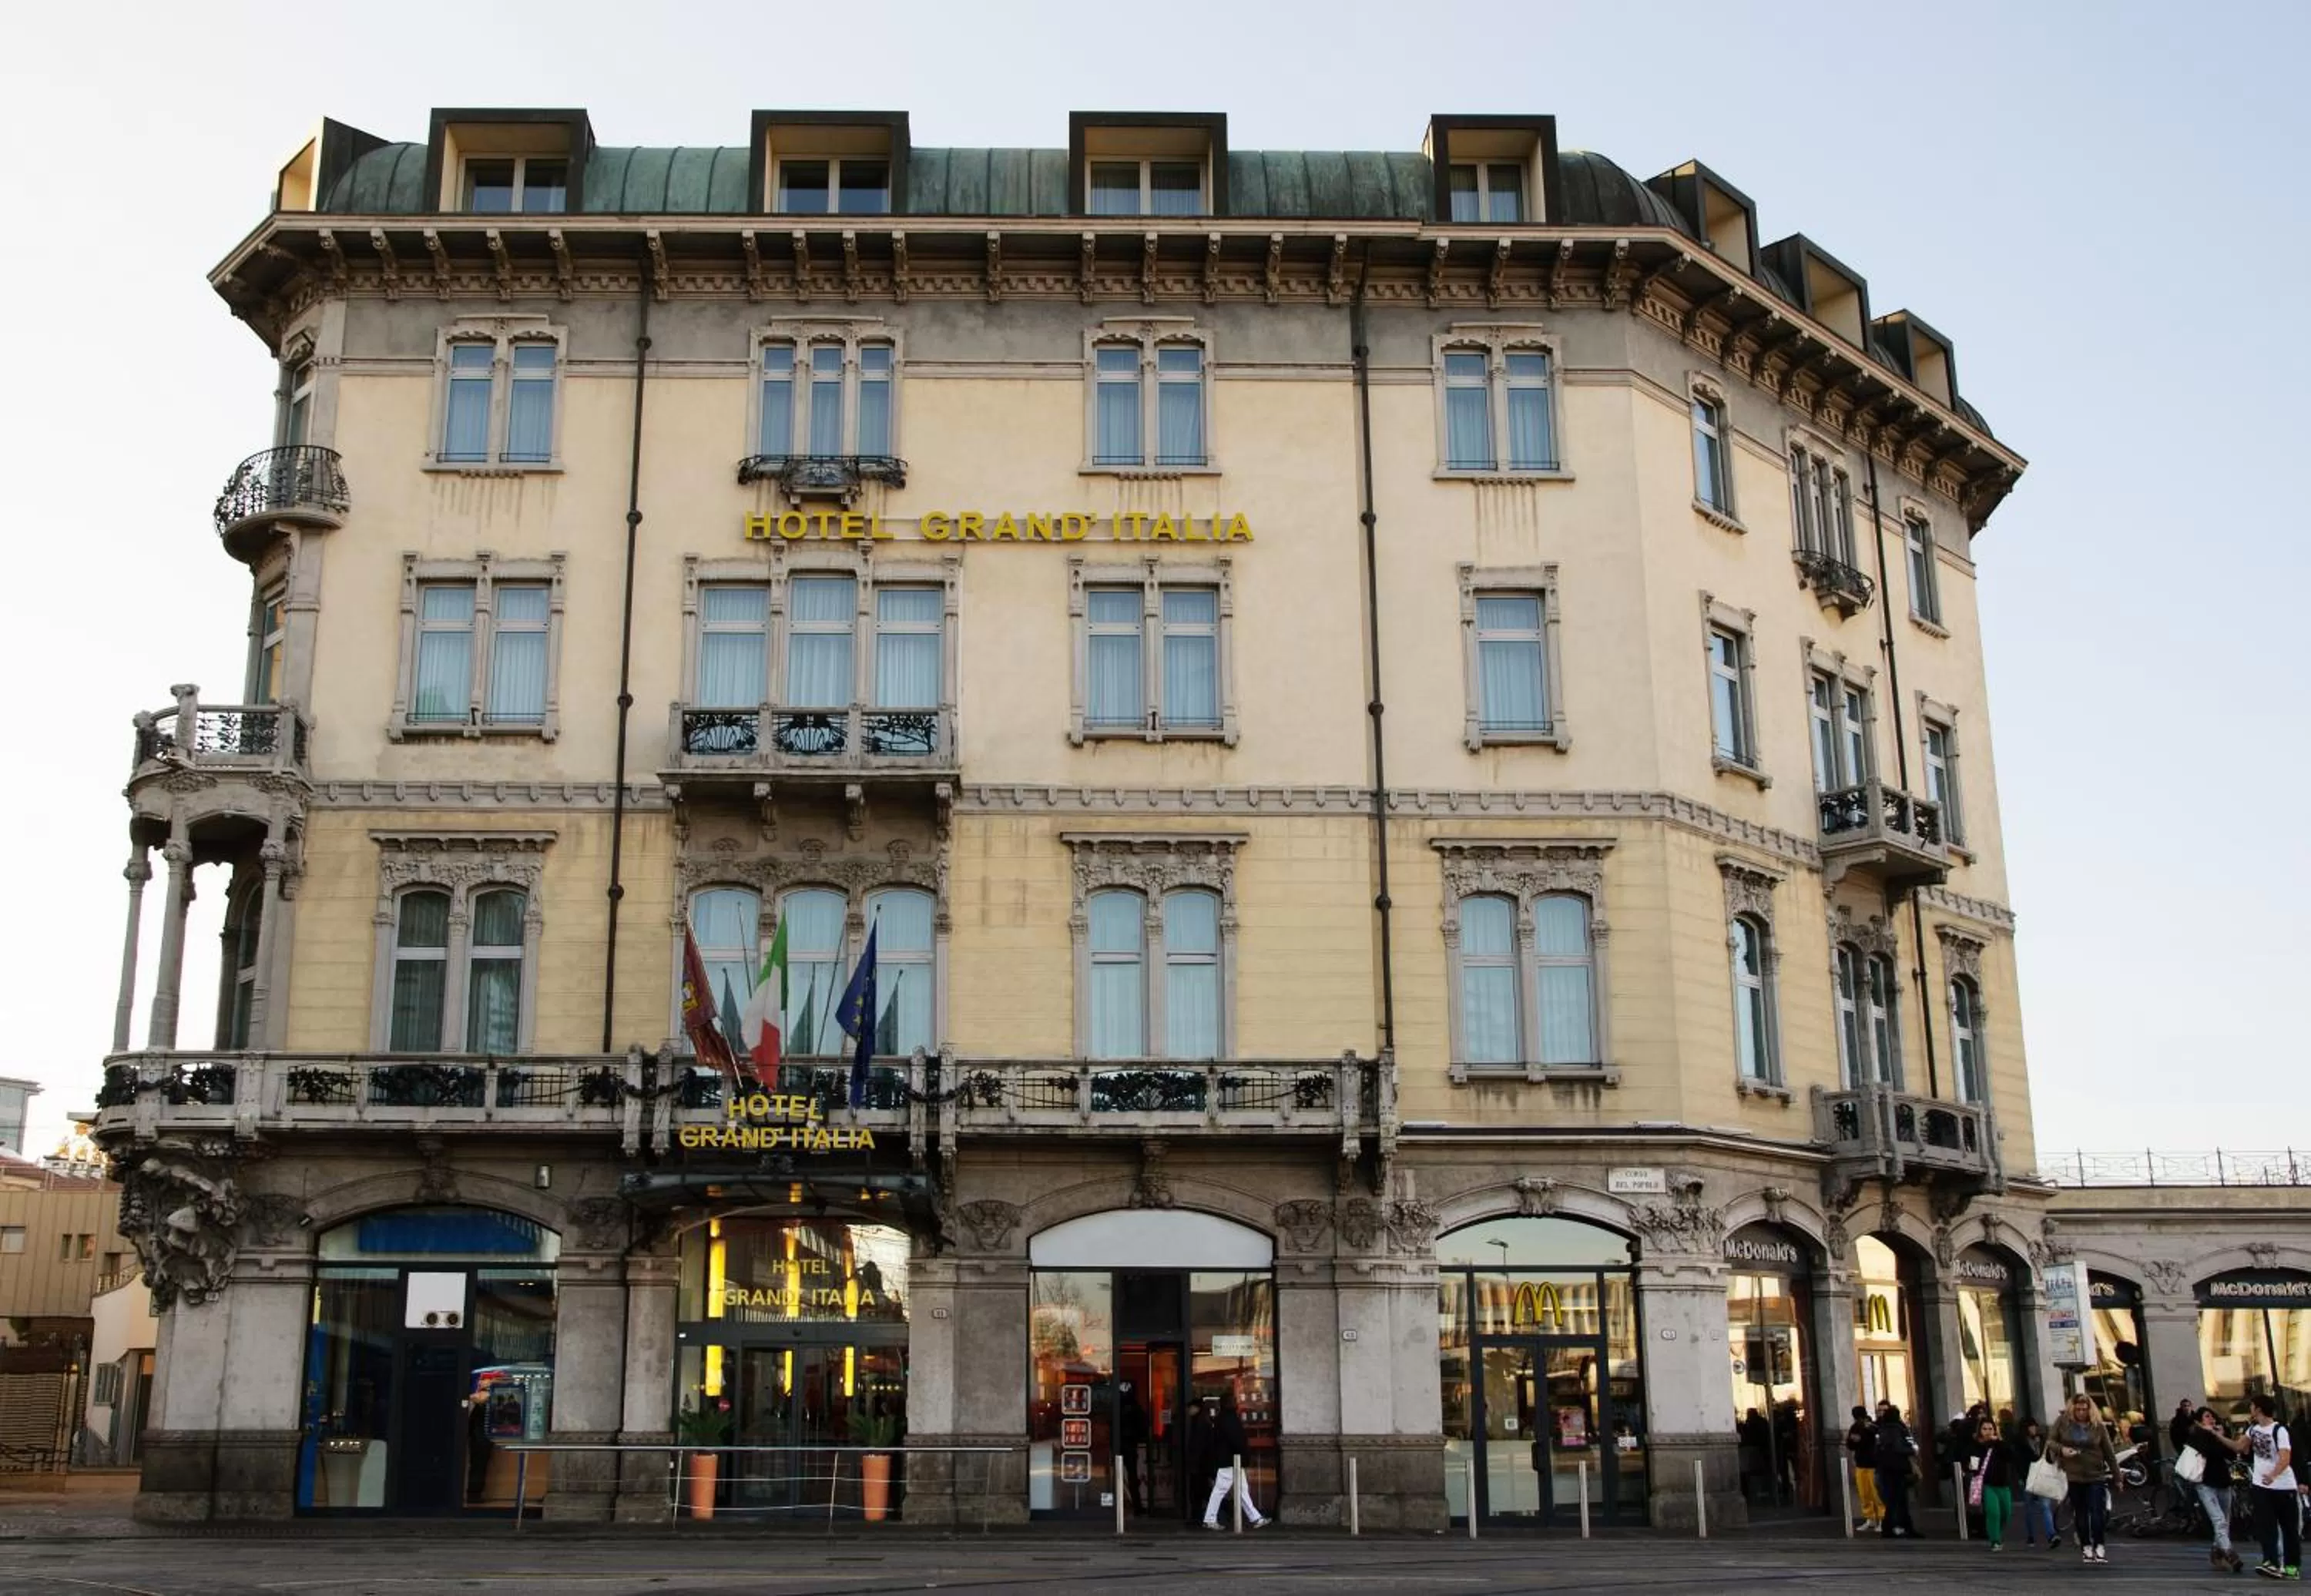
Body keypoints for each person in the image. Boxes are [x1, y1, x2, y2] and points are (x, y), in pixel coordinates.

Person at [2048, 1390, 2120, 1564]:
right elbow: (2051, 1441)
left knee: (2098, 1513)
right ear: (2072, 1409)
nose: (2081, 1413)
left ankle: (2100, 1545)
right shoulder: (2063, 1423)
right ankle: (2086, 1546)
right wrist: (2062, 1450)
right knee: (2080, 1513)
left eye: (2085, 1409)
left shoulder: (2098, 1426)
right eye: (2078, 1409)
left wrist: (2117, 1476)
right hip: (2074, 1475)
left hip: (2096, 1473)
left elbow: (2109, 1452)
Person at [2181, 1404, 2247, 1574]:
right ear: (2199, 1421)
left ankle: (2217, 1550)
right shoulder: (2197, 1436)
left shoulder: (2219, 1435)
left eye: (2212, 1416)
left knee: (2225, 1520)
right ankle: (2230, 1553)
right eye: (2207, 1417)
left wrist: (2221, 1436)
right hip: (2205, 1483)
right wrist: (2211, 1435)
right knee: (2218, 1520)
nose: (2211, 1419)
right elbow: (2209, 1451)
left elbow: (2232, 1454)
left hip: (2223, 1482)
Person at [2244, 1392, 2300, 1579]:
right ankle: (2271, 1562)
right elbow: (2239, 1447)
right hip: (2261, 1486)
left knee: (2289, 1528)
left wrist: (2273, 1475)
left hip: (2283, 1486)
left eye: (2252, 1406)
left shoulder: (2280, 1430)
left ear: (2258, 1409)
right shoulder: (2252, 1429)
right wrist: (2214, 1434)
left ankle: (2292, 1567)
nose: (2250, 1409)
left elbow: (2286, 1458)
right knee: (2266, 1526)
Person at [1197, 1394, 1268, 1531]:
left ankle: (1255, 1518)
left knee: (1240, 1490)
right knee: (1223, 1490)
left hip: (1229, 1460)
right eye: (1234, 1400)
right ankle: (1210, 1519)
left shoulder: (1222, 1419)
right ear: (1230, 1404)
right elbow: (1237, 1440)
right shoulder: (1230, 1419)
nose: (1237, 1402)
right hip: (1231, 1460)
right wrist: (1245, 1455)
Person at [1967, 1415, 2016, 1551]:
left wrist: (1999, 1443)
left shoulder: (2000, 1445)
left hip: (2003, 1484)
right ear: (1980, 1431)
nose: (1988, 1431)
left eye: (1990, 1428)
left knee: (2006, 1512)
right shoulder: (1976, 1446)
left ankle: (1997, 1532)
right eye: (1984, 1429)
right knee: (1993, 1512)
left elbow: (2010, 1456)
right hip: (1988, 1485)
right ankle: (1995, 1540)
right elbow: (1973, 1464)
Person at [1874, 1401, 1918, 1540]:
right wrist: (1912, 1450)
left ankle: (1894, 1527)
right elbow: (1900, 1447)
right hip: (1898, 1468)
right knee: (1899, 1500)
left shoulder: (1882, 1429)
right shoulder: (1898, 1429)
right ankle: (1897, 1527)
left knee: (1893, 1500)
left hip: (1885, 1468)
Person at [2015, 1417, 2060, 1550]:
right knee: (2030, 1509)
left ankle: (2051, 1535)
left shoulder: (2042, 1441)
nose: (2034, 1429)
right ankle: (2031, 1535)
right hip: (2028, 1477)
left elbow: (2048, 1457)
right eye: (2031, 1427)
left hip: (2042, 1477)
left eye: (2035, 1426)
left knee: (2045, 1506)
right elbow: (2019, 1463)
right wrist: (2021, 1478)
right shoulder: (2020, 1443)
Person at [1846, 1405, 1883, 1532]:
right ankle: (1870, 1518)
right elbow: (1850, 1444)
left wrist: (1859, 1439)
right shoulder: (1855, 1427)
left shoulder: (1871, 1426)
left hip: (1873, 1464)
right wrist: (1854, 1441)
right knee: (1864, 1494)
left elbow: (1876, 1438)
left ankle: (1882, 1519)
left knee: (1876, 1494)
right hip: (1861, 1464)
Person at [1116, 1380, 1149, 1514]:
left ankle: (1116, 1505)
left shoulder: (1117, 1406)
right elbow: (1143, 1424)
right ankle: (1136, 1506)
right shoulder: (1135, 1407)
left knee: (1117, 1477)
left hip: (1121, 1444)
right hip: (1130, 1445)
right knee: (1132, 1476)